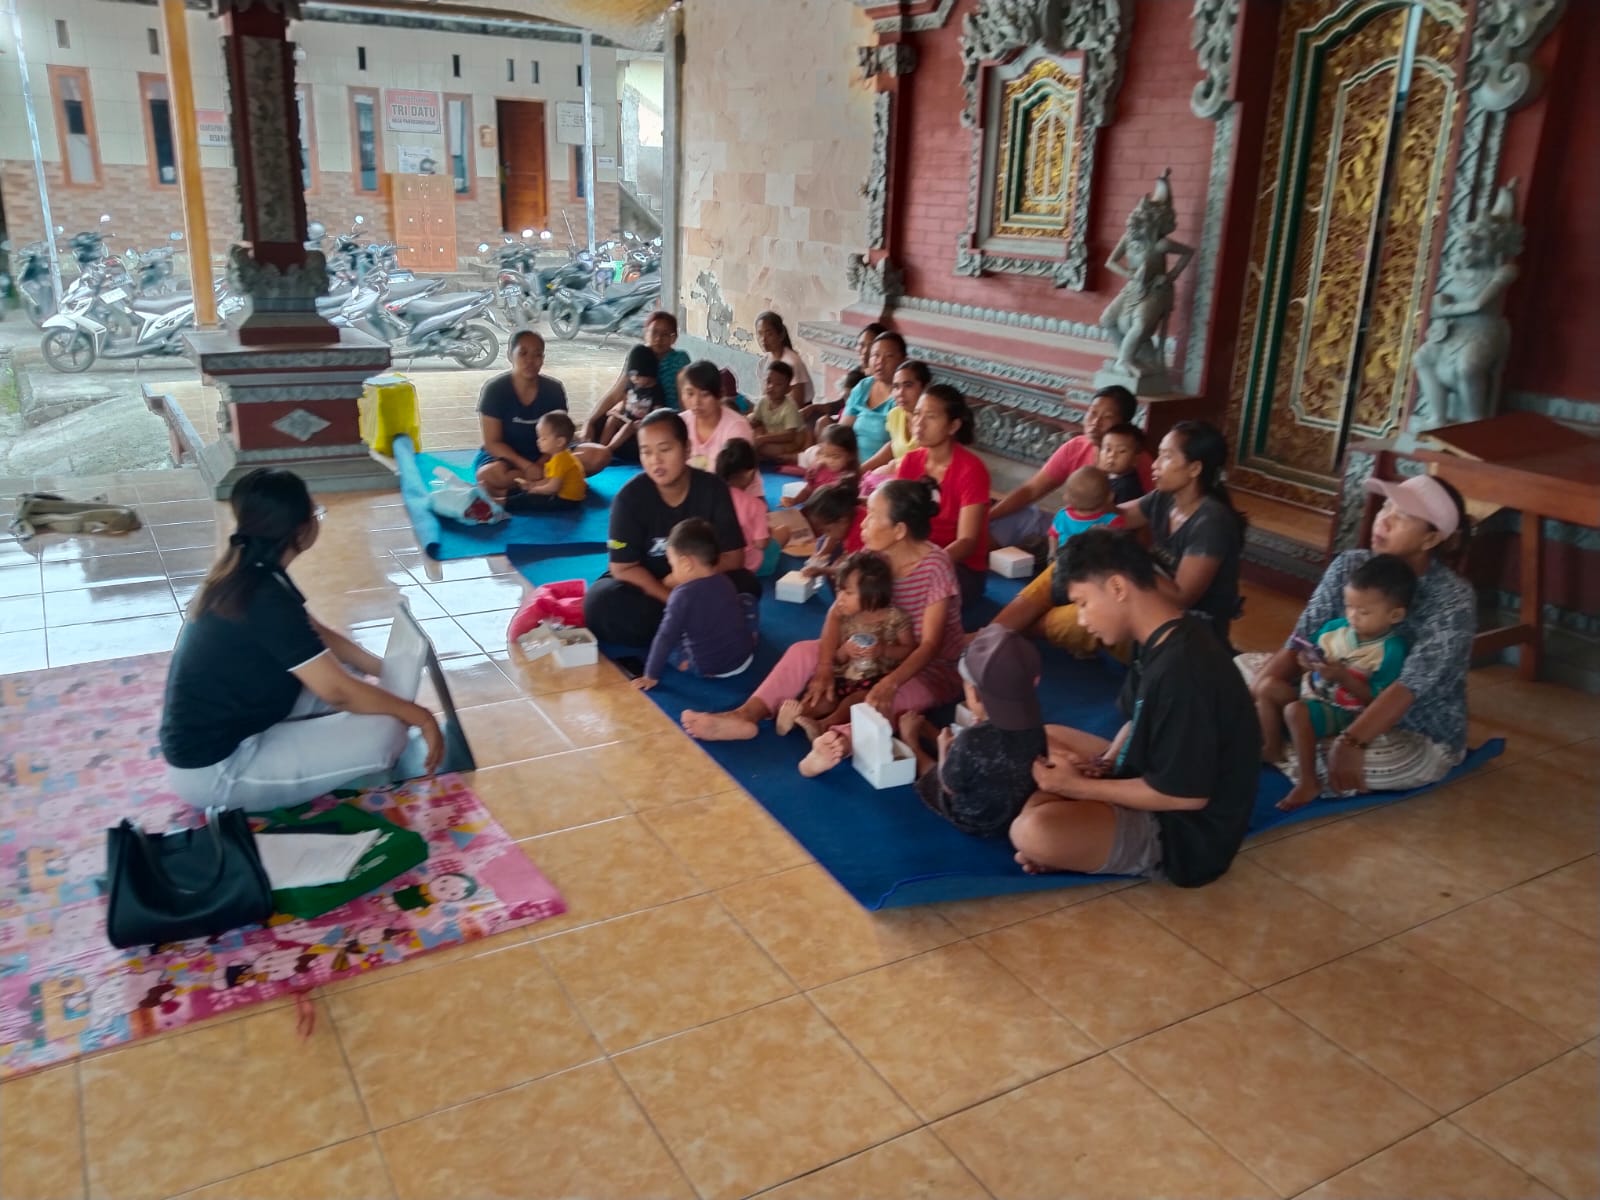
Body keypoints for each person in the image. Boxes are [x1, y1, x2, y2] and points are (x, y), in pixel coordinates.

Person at [160, 468, 443, 812]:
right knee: (387, 732)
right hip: (217, 770)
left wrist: (383, 669)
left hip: (237, 728)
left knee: (355, 681)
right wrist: (421, 716)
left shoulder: (253, 570)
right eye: (315, 512)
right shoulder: (265, 596)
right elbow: (337, 692)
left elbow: (317, 633)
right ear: (301, 529)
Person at [1010, 528, 1260, 887]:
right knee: (1046, 738)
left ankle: (1071, 840)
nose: (1081, 619)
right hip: (1149, 772)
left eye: (1082, 603)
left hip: (1181, 833)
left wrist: (1079, 788)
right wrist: (1106, 764)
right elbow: (1137, 718)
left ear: (1117, 587)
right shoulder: (1158, 636)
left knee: (1033, 831)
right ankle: (1077, 839)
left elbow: (1185, 796)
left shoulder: (1185, 670)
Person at [684, 480, 964, 759]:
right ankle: (746, 714)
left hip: (926, 670)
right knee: (802, 652)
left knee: (883, 702)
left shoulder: (935, 567)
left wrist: (889, 682)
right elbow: (836, 611)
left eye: (873, 516)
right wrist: (825, 667)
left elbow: (930, 646)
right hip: (866, 653)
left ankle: (834, 742)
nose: (863, 523)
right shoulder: (872, 556)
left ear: (899, 530)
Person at [1244, 474, 1474, 795]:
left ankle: (1285, 744)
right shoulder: (1350, 565)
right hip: (1326, 697)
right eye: (1385, 507)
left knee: (1368, 763)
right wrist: (1253, 698)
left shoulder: (1451, 598)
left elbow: (1408, 687)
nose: (1384, 520)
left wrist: (1352, 742)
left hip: (1406, 729)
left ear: (1430, 539)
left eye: (1402, 515)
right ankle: (1290, 740)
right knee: (1244, 668)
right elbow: (1301, 639)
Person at [583, 411, 759, 647]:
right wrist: (671, 598)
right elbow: (623, 567)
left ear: (686, 449)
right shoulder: (629, 499)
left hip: (700, 580)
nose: (655, 460)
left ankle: (680, 630)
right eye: (646, 452)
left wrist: (681, 579)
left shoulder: (713, 489)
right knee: (600, 603)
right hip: (651, 587)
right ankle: (697, 626)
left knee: (746, 585)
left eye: (665, 449)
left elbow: (733, 557)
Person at [1260, 554, 1415, 811]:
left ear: (1395, 615)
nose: (1353, 616)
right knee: (1267, 687)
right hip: (1312, 692)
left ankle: (1308, 780)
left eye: (1364, 612)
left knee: (1295, 711)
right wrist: (1306, 661)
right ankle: (1272, 748)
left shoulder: (1391, 649)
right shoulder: (1335, 628)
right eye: (1349, 606)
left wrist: (1343, 677)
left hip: (1344, 710)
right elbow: (1305, 656)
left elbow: (1377, 700)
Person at [901, 624, 1048, 839]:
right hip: (1013, 814)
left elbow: (949, 786)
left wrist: (943, 750)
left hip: (973, 819)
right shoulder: (1035, 724)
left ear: (975, 694)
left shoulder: (972, 740)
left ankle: (912, 742)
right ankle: (934, 735)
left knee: (934, 778)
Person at [1118, 420, 1247, 649]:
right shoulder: (1164, 498)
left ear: (1194, 469)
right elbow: (1118, 517)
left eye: (1167, 457)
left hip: (1192, 635)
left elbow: (1181, 597)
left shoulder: (1211, 523)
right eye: (1158, 455)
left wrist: (1128, 560)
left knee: (1075, 621)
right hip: (1154, 606)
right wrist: (1092, 495)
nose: (1155, 465)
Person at [988, 385, 1153, 549]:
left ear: (1122, 424)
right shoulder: (1076, 447)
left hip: (1105, 544)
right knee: (1015, 517)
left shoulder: (1137, 461)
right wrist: (988, 517)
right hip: (1071, 528)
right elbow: (1031, 490)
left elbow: (1149, 516)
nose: (1095, 422)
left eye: (1107, 417)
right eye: (1093, 412)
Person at [774, 552, 913, 740]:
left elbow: (908, 651)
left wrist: (883, 650)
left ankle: (824, 725)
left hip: (875, 681)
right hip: (845, 677)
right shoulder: (846, 616)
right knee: (825, 698)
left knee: (854, 702)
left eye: (848, 593)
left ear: (872, 595)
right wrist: (845, 650)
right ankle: (797, 715)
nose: (840, 598)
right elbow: (837, 659)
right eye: (839, 591)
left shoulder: (896, 618)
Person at [474, 329, 609, 496]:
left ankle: (526, 486)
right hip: (510, 458)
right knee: (488, 475)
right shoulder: (495, 389)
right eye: (523, 353)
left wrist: (540, 465)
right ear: (510, 355)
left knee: (599, 455)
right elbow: (492, 442)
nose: (530, 361)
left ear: (543, 359)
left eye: (537, 355)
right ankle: (554, 481)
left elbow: (561, 434)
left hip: (550, 455)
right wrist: (527, 466)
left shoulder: (554, 389)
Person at [896, 384, 990, 608]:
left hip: (958, 566)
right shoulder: (910, 461)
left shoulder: (971, 470)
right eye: (917, 414)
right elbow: (896, 516)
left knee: (909, 596)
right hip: (913, 554)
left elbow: (967, 542)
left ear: (953, 426)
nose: (919, 423)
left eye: (931, 417)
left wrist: (924, 567)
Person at [635, 518, 758, 691]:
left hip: (709, 668)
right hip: (744, 658)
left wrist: (650, 675)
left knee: (667, 643)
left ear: (686, 564)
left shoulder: (681, 596)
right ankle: (751, 636)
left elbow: (665, 637)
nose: (672, 570)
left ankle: (686, 664)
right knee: (746, 599)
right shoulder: (725, 581)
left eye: (672, 565)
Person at [581, 311, 691, 443]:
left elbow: (685, 399)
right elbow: (616, 394)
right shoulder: (637, 355)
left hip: (666, 420)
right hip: (635, 417)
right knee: (598, 424)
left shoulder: (679, 359)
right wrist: (589, 421)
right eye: (654, 332)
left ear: (674, 338)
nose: (658, 338)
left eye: (665, 334)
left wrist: (688, 430)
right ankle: (600, 450)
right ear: (645, 333)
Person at [682, 359, 762, 498]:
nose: (696, 402)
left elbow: (737, 483)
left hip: (737, 499)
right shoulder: (681, 423)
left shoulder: (737, 428)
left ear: (720, 394)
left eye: (705, 394)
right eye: (690, 393)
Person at [838, 331, 906, 463]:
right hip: (849, 462)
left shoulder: (902, 396)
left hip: (879, 469)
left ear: (902, 360)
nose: (880, 362)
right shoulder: (863, 386)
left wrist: (861, 470)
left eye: (889, 356)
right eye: (875, 355)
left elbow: (894, 448)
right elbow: (843, 429)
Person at [860, 359, 931, 486]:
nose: (900, 393)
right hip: (895, 480)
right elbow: (892, 446)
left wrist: (891, 468)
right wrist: (859, 471)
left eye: (908, 385)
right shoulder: (895, 414)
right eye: (896, 387)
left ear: (924, 387)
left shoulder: (931, 422)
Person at [803, 321, 884, 430]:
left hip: (862, 426)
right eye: (861, 345)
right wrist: (815, 408)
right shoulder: (858, 372)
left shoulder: (880, 380)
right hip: (845, 421)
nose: (865, 351)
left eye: (870, 346)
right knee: (817, 420)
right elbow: (843, 403)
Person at [502, 411, 586, 512]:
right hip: (561, 494)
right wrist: (533, 484)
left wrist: (535, 490)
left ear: (559, 442)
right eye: (539, 437)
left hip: (567, 500)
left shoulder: (560, 460)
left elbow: (553, 488)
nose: (538, 441)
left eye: (543, 438)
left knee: (529, 499)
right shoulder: (560, 455)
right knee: (524, 490)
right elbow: (549, 480)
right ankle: (501, 496)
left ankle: (500, 503)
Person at [715, 438, 777, 575]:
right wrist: (768, 533)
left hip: (715, 565)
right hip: (749, 566)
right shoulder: (755, 505)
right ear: (750, 473)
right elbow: (761, 544)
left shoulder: (709, 496)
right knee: (783, 533)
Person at [597, 344, 665, 462]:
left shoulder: (656, 391)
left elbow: (657, 415)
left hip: (641, 426)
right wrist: (617, 412)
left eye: (637, 376)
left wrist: (644, 423)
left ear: (648, 373)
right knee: (612, 419)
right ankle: (600, 448)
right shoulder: (631, 385)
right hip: (626, 420)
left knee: (629, 427)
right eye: (632, 376)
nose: (634, 379)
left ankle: (607, 450)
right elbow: (624, 403)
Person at [1047, 466, 1123, 558]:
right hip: (1095, 565)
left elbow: (1053, 535)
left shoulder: (1063, 515)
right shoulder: (1113, 521)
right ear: (1110, 497)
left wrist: (1052, 552)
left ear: (1066, 498)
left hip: (1064, 562)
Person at [782, 424, 858, 508]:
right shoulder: (818, 469)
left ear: (850, 456)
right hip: (812, 509)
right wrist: (794, 500)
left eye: (836, 457)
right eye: (825, 455)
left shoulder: (848, 478)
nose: (830, 461)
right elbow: (808, 490)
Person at [750, 361, 808, 462]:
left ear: (788, 389)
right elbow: (757, 421)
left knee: (765, 448)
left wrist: (763, 439)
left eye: (778, 384)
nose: (771, 387)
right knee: (750, 428)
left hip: (790, 441)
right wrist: (749, 423)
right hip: (770, 435)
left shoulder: (790, 407)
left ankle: (784, 457)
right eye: (769, 381)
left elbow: (789, 436)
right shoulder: (762, 402)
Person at [755, 310, 815, 407]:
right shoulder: (763, 363)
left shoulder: (793, 363)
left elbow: (797, 404)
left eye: (769, 334)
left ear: (781, 335)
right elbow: (765, 396)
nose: (763, 339)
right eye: (760, 334)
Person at [1097, 423, 1147, 505]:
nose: (1112, 455)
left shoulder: (1128, 488)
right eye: (1108, 449)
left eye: (1121, 451)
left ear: (1135, 459)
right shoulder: (1107, 476)